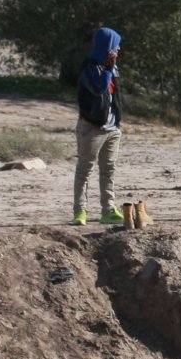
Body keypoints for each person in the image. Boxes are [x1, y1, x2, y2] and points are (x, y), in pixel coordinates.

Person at [72, 27, 124, 226]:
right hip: (91, 127)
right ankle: (80, 211)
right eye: (115, 45)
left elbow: (114, 96)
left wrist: (117, 122)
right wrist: (109, 69)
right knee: (85, 169)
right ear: (107, 46)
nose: (118, 49)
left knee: (109, 169)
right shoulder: (90, 68)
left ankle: (108, 209)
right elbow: (98, 88)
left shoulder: (113, 67)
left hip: (112, 128)